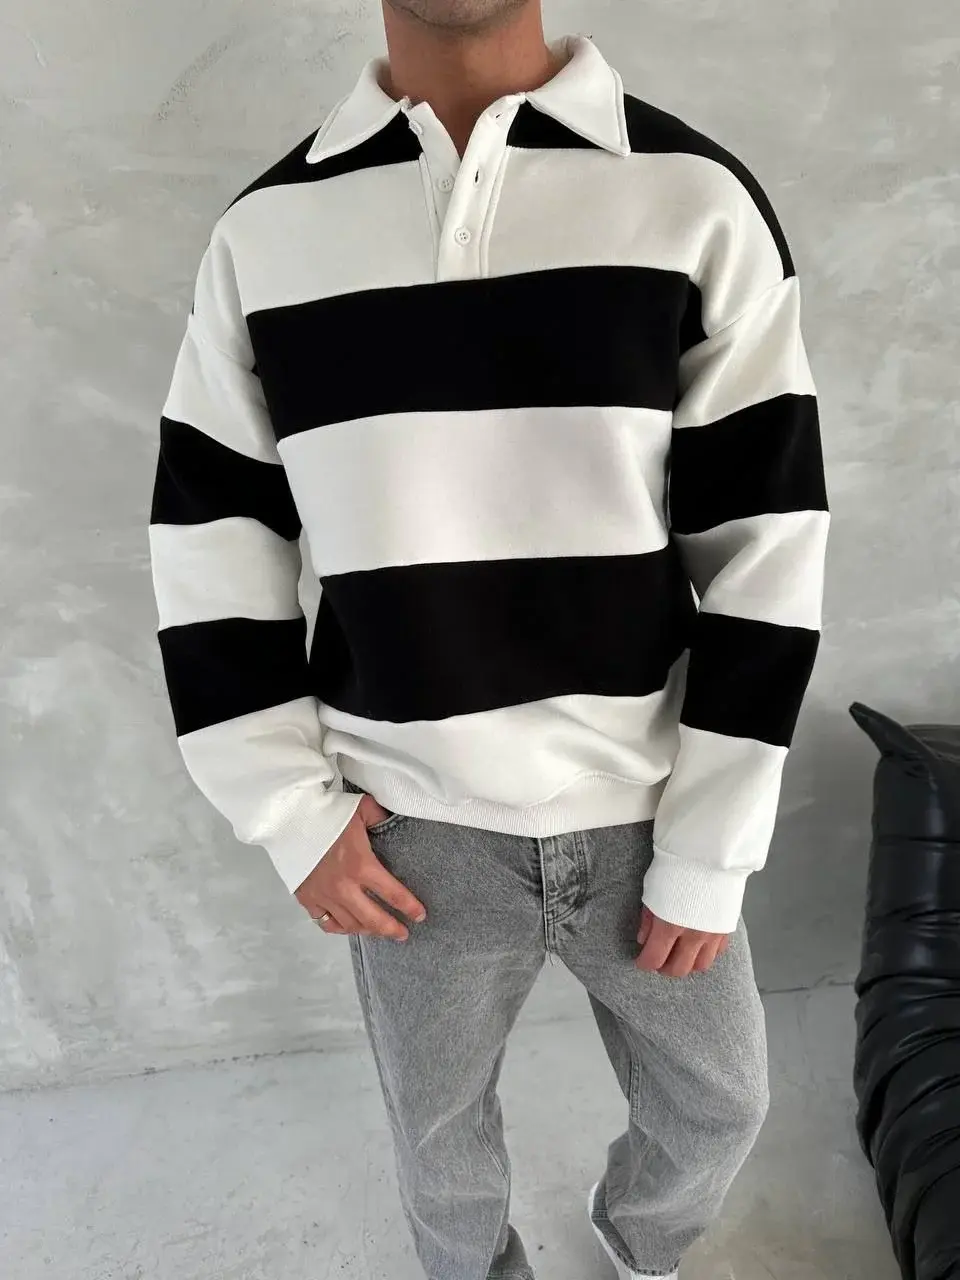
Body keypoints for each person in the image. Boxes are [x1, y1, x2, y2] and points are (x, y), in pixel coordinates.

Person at [148, 1, 828, 1277]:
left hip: (645, 807)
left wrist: (710, 840)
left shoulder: (693, 197)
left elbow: (767, 544)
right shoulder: (265, 233)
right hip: (410, 832)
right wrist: (288, 810)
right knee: (440, 1146)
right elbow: (212, 538)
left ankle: (640, 1245)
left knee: (721, 1101)